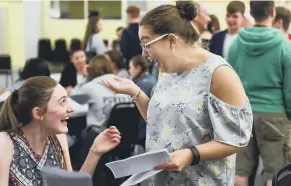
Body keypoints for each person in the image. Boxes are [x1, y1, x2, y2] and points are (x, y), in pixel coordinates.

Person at [103, 1, 253, 185]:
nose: (144, 53)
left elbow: (237, 138)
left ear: (172, 40)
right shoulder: (166, 70)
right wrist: (134, 91)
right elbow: (160, 119)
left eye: (146, 43)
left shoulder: (219, 74)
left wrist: (191, 154)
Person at [0, 76, 121, 186]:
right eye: (62, 101)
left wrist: (95, 151)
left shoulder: (58, 138)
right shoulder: (2, 144)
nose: (71, 108)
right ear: (38, 113)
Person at [227, 2, 291, 186]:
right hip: (274, 114)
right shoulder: (285, 44)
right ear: (273, 12)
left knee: (240, 172)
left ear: (250, 13)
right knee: (275, 173)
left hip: (242, 114)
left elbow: (228, 82)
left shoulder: (236, 44)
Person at [71, 55, 130, 128]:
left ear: (91, 70)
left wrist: (86, 77)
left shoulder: (90, 87)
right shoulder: (124, 83)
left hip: (100, 134)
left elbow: (73, 96)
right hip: (126, 134)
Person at [129, 55, 157, 148]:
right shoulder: (153, 79)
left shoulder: (140, 85)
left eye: (130, 68)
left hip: (143, 131)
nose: (129, 71)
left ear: (138, 68)